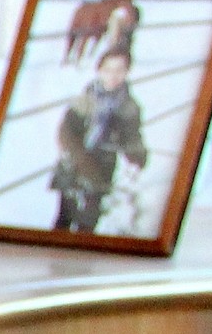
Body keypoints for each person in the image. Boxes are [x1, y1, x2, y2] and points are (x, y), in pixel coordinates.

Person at [53, 49, 147, 233]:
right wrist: (77, 156)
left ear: (127, 72)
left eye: (119, 70)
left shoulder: (128, 106)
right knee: (64, 217)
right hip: (74, 163)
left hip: (100, 169)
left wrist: (137, 155)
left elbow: (132, 137)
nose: (113, 76)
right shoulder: (86, 98)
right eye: (108, 70)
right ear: (99, 70)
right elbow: (66, 130)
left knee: (88, 222)